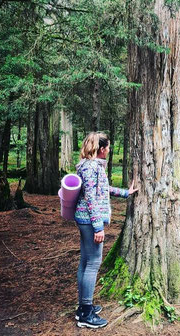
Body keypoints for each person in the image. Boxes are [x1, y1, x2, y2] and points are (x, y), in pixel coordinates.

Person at [74, 131, 138, 329]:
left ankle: (83, 308)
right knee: (93, 263)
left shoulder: (88, 166)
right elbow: (92, 198)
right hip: (89, 221)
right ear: (101, 149)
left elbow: (103, 189)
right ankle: (85, 312)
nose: (109, 150)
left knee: (85, 261)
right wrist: (98, 227)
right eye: (108, 147)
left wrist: (126, 192)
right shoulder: (91, 167)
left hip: (85, 220)